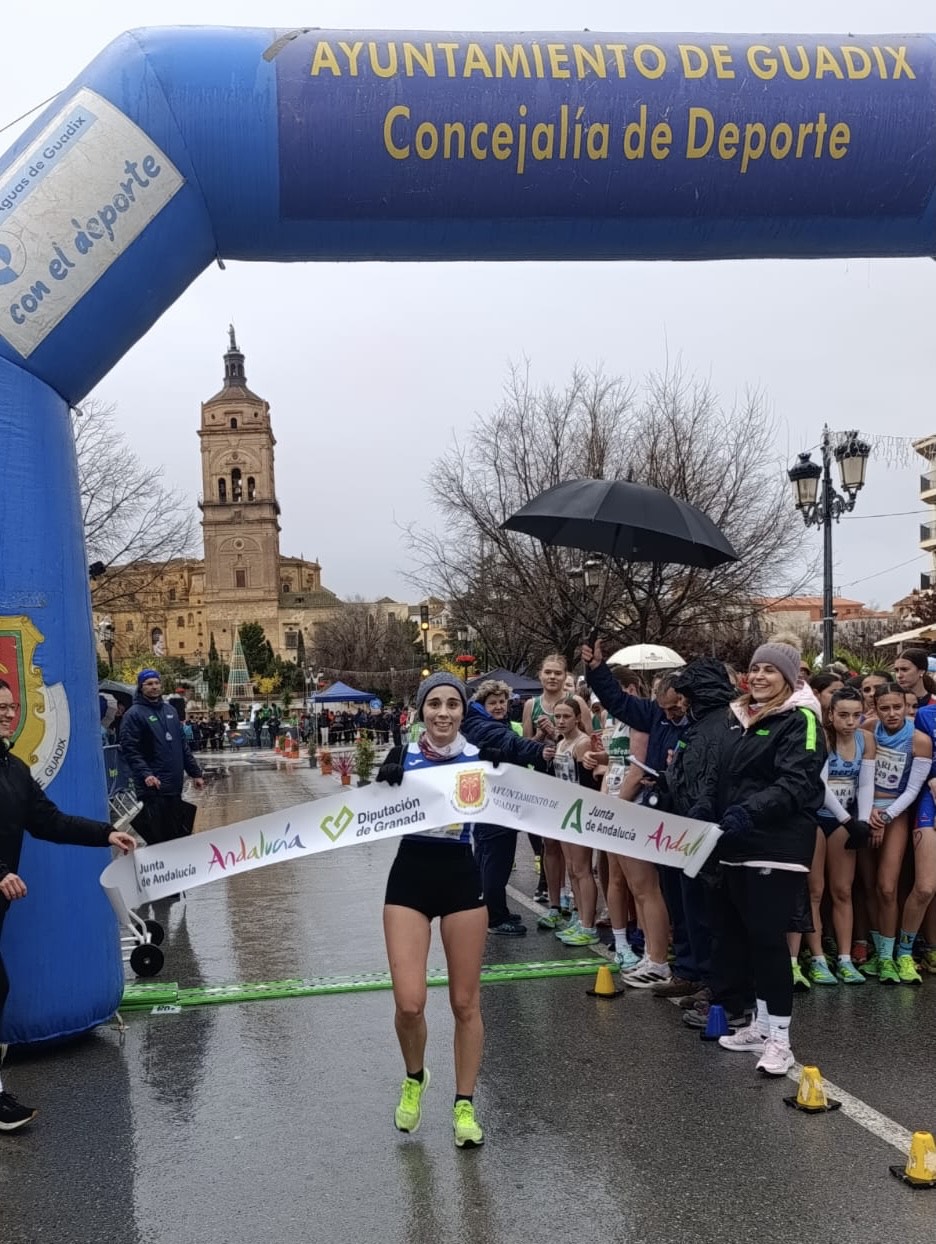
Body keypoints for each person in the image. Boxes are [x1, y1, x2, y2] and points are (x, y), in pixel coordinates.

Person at [0, 678, 136, 1131]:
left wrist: (104, 834)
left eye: (9, 705)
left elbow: (50, 821)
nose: (6, 712)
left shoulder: (14, 769)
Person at [376, 672, 495, 1149]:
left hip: (462, 876)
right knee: (409, 1002)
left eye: (452, 704)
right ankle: (414, 1076)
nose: (443, 713)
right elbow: (360, 816)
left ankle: (463, 1103)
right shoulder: (400, 757)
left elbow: (535, 791)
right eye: (434, 704)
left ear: (463, 712)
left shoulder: (480, 760)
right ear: (421, 711)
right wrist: (381, 784)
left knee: (465, 1003)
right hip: (410, 876)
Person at [708, 641, 827, 1077]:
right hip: (738, 843)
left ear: (790, 678)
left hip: (778, 845)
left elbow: (797, 782)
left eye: (769, 671)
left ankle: (781, 1039)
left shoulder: (802, 720)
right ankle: (760, 1026)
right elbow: (730, 781)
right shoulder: (741, 719)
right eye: (754, 669)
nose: (758, 676)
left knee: (768, 938)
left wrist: (748, 812)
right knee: (747, 938)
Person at [582, 642, 686, 988]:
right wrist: (596, 671)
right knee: (642, 889)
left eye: (676, 706)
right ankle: (655, 959)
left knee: (652, 889)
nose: (671, 712)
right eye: (665, 706)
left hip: (663, 810)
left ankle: (663, 959)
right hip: (642, 807)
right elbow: (618, 702)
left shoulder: (692, 721)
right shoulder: (651, 713)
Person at [464, 680, 550, 936]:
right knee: (496, 860)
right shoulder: (484, 726)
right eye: (493, 703)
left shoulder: (484, 723)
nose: (500, 707)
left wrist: (536, 742)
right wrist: (541, 750)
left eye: (503, 702)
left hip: (488, 801)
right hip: (495, 803)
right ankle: (495, 917)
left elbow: (510, 750)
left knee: (487, 857)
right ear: (482, 704)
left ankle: (491, 908)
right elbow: (512, 744)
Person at [859, 683, 931, 984]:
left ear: (906, 706)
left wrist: (885, 816)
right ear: (876, 708)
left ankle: (892, 957)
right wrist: (869, 814)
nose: (892, 714)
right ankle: (879, 951)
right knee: (869, 885)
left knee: (888, 886)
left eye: (897, 707)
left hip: (895, 813)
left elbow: (914, 789)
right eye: (885, 708)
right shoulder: (869, 728)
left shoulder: (919, 740)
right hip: (864, 809)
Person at [522, 655, 592, 925]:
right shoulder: (532, 705)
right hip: (545, 777)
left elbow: (587, 736)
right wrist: (542, 739)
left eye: (557, 673)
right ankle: (554, 903)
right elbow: (527, 744)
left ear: (565, 677)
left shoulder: (578, 703)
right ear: (540, 675)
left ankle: (576, 906)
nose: (552, 677)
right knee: (549, 844)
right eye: (548, 672)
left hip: (572, 781)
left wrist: (558, 733)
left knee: (576, 853)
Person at [815, 687, 875, 984]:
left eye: (856, 715)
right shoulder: (823, 738)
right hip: (818, 817)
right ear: (831, 714)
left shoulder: (866, 739)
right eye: (843, 715)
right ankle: (816, 958)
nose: (850, 722)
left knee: (842, 890)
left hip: (847, 820)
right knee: (814, 891)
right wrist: (850, 820)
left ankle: (845, 957)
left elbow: (865, 784)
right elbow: (820, 786)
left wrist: (862, 822)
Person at [119, 670, 205, 845]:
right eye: (149, 684)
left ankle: (177, 868)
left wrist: (195, 773)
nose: (154, 687)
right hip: (153, 785)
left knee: (176, 832)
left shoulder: (170, 710)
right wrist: (146, 774)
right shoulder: (134, 714)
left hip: (173, 783)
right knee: (159, 835)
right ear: (141, 687)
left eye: (156, 683)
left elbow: (182, 745)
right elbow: (130, 749)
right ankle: (159, 870)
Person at [550, 697, 602, 946]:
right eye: (557, 716)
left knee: (582, 869)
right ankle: (579, 918)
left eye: (565, 717)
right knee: (571, 868)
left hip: (578, 810)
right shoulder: (561, 743)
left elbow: (588, 781)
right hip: (562, 809)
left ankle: (588, 925)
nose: (560, 721)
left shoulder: (581, 744)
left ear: (577, 718)